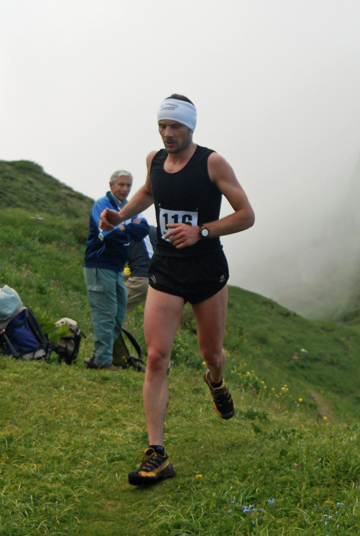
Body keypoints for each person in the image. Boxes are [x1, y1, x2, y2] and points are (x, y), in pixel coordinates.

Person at [99, 94, 255, 486]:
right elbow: (149, 192)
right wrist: (120, 216)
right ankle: (157, 453)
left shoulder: (212, 163)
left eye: (175, 127)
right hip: (166, 270)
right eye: (162, 126)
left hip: (206, 271)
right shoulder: (154, 160)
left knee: (211, 354)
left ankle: (215, 381)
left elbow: (246, 215)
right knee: (156, 358)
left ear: (190, 127)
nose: (168, 134)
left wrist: (202, 231)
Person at [84, 171, 150, 369]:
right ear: (111, 185)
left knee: (119, 313)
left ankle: (99, 356)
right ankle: (103, 361)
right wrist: (127, 228)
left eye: (128, 185)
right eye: (121, 185)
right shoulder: (102, 205)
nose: (125, 189)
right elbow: (107, 233)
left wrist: (121, 227)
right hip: (100, 264)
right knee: (106, 313)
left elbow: (143, 230)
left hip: (117, 267)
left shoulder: (129, 208)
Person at [125, 226, 157, 314]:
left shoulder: (127, 231)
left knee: (108, 309)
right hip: (159, 280)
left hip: (141, 279)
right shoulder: (153, 230)